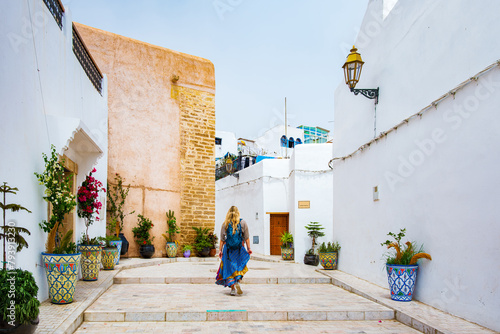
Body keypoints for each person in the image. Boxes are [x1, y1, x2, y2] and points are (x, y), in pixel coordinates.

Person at [215, 206, 252, 296]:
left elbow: (222, 239)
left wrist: (220, 250)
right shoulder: (242, 223)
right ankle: (238, 281)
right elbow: (246, 238)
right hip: (239, 249)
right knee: (239, 266)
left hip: (228, 250)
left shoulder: (225, 224)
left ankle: (232, 289)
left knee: (229, 269)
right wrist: (249, 248)